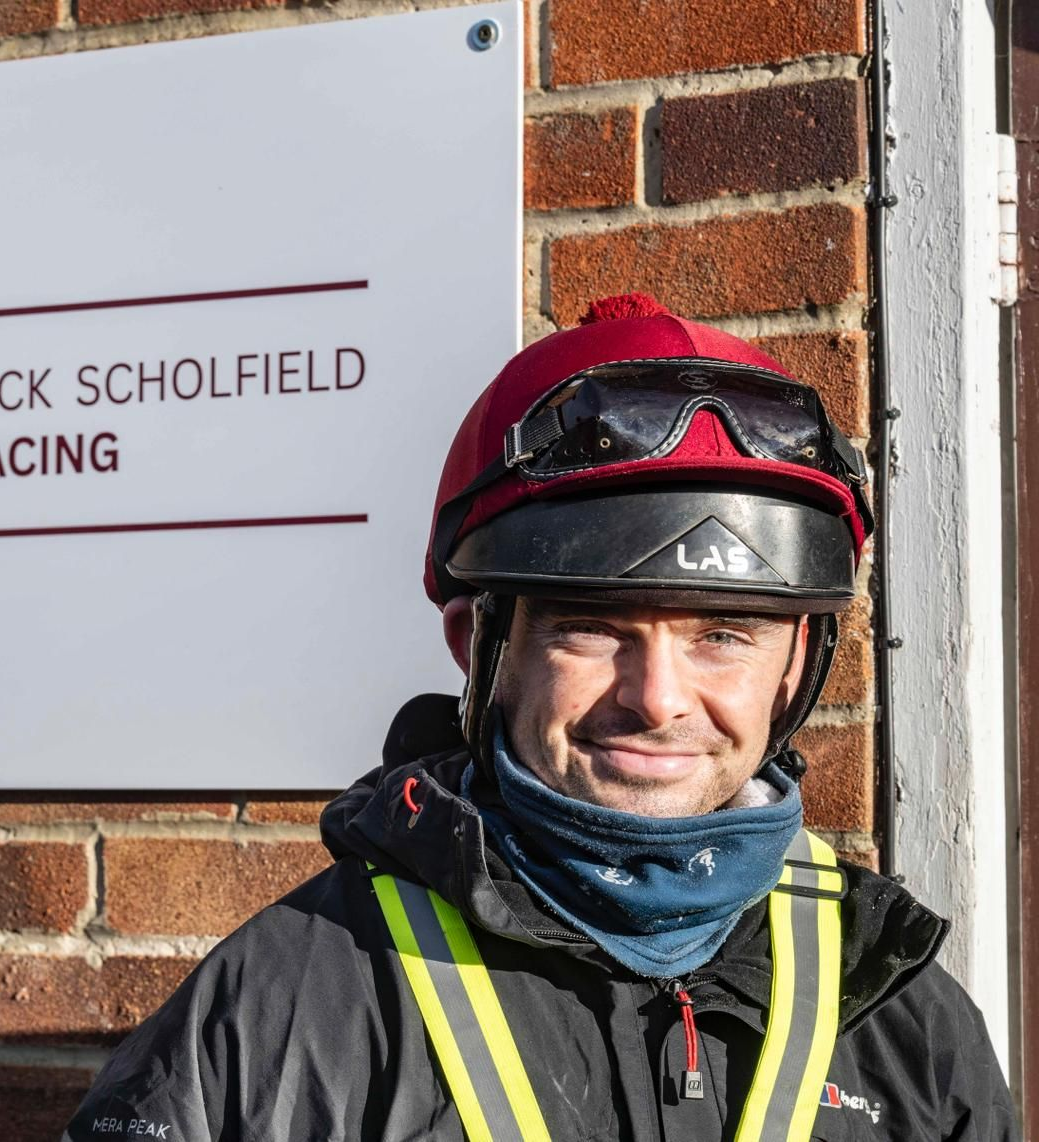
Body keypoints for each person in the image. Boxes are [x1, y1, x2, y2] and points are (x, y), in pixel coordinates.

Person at [64, 294, 1017, 1141]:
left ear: (796, 665)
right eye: (592, 629)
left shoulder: (902, 1017)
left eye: (724, 634)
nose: (658, 698)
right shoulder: (281, 1010)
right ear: (476, 646)